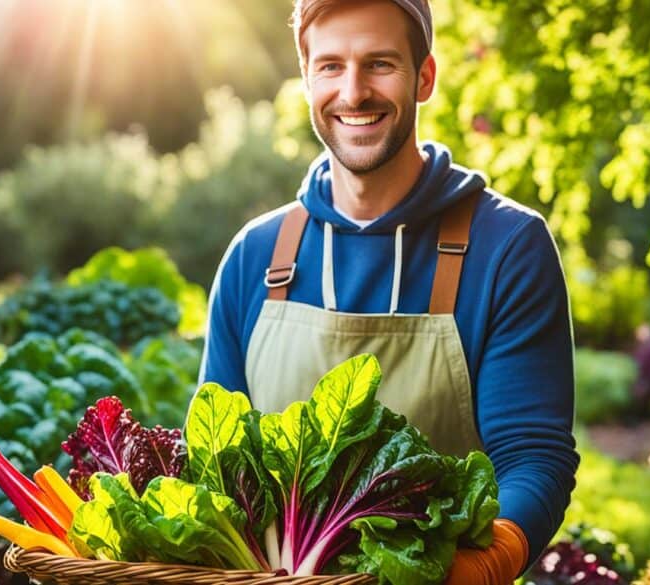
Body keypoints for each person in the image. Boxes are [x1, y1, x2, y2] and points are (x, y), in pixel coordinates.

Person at [198, 0, 579, 582]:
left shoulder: (507, 247)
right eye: (330, 66)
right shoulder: (256, 256)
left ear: (424, 77)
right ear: (306, 78)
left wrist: (480, 566)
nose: (353, 92)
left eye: (379, 64)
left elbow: (532, 456)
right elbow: (217, 466)